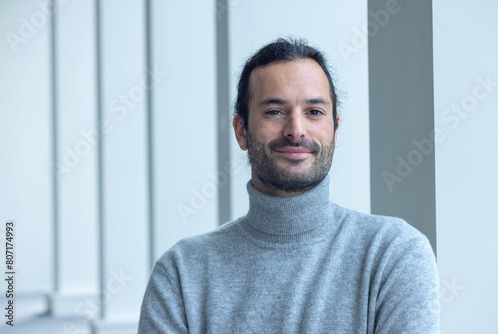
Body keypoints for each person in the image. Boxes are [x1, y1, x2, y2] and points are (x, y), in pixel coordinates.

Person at [138, 38, 440, 333]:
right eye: (275, 112)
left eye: (314, 112)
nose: (296, 130)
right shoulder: (181, 272)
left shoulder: (393, 253)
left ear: (335, 130)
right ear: (241, 131)